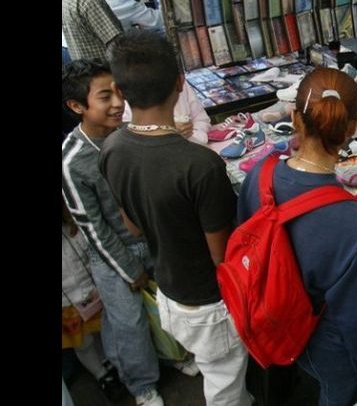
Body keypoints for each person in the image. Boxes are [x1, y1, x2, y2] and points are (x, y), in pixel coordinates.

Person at [99, 31, 250, 406]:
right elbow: (221, 257)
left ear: (118, 89)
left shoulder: (112, 148)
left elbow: (132, 226)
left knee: (218, 371)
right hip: (208, 303)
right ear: (181, 83)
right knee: (224, 387)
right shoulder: (201, 165)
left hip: (168, 289)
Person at [237, 68, 357, 406]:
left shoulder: (260, 175)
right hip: (321, 343)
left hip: (269, 320)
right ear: (351, 129)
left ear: (294, 117)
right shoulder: (353, 221)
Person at [61, 59, 164, 406]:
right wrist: (128, 268)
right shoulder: (72, 161)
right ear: (77, 107)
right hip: (112, 252)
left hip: (149, 238)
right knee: (129, 324)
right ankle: (142, 386)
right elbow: (93, 227)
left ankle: (172, 354)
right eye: (105, 97)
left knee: (165, 306)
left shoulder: (128, 133)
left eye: (119, 92)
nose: (119, 103)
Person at [61, 197, 128, 403]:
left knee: (103, 329)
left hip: (92, 289)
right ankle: (102, 374)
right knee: (83, 342)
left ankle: (111, 363)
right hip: (66, 302)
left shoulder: (73, 227)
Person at [122, 79, 211, 145]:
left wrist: (192, 134)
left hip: (194, 149)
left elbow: (202, 120)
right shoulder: (131, 99)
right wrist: (167, 133)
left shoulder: (181, 85)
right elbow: (133, 138)